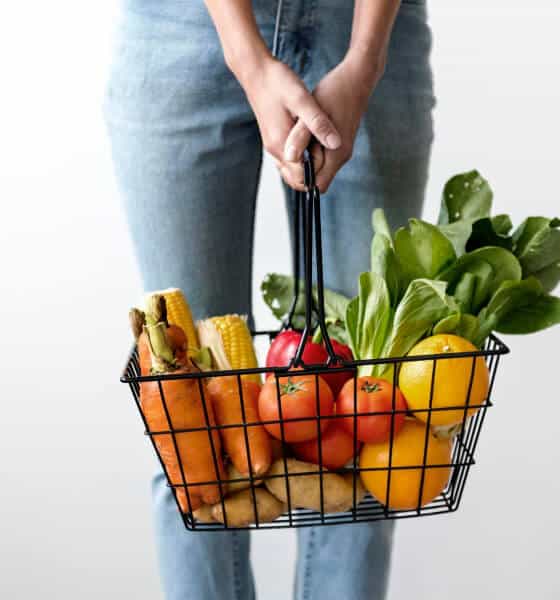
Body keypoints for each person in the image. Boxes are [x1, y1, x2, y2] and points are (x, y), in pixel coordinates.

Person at [105, 1, 434, 598]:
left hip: (364, 24)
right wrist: (244, 53)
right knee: (189, 431)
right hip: (183, 24)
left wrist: (365, 58)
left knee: (368, 425)